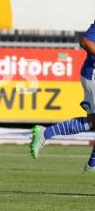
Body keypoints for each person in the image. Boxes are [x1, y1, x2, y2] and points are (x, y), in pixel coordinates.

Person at [30, 21, 95, 171]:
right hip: (93, 75)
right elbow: (85, 42)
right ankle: (45, 133)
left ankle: (92, 164)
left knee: (93, 122)